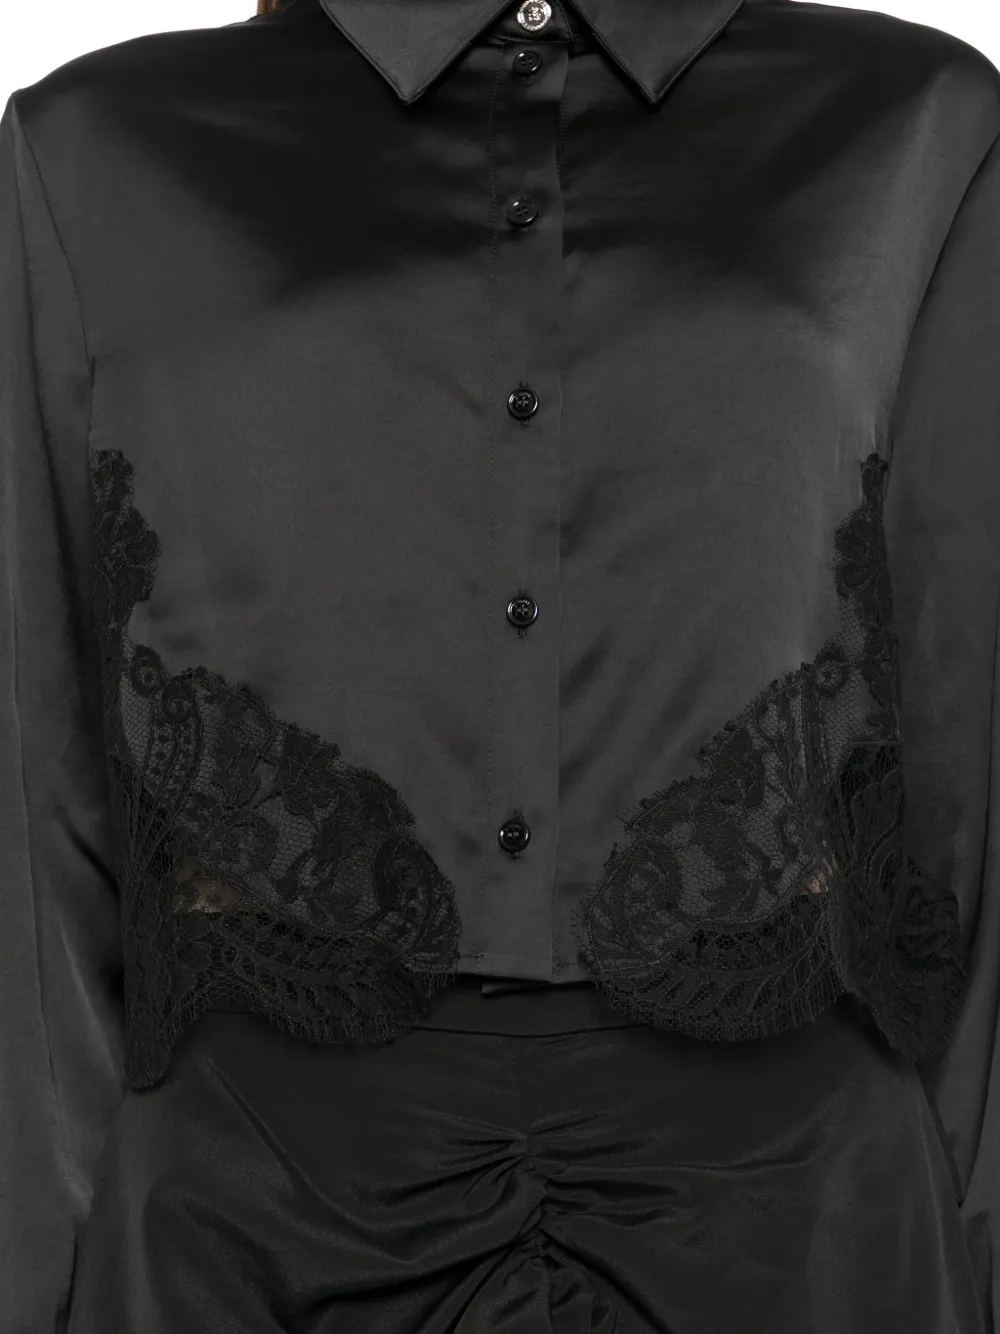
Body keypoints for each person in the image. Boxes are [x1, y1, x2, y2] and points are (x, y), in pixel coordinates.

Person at [2, 0, 999, 1328]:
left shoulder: (914, 123)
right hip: (243, 1234)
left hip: (807, 1230)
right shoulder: (99, 149)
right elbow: (35, 787)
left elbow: (967, 730)